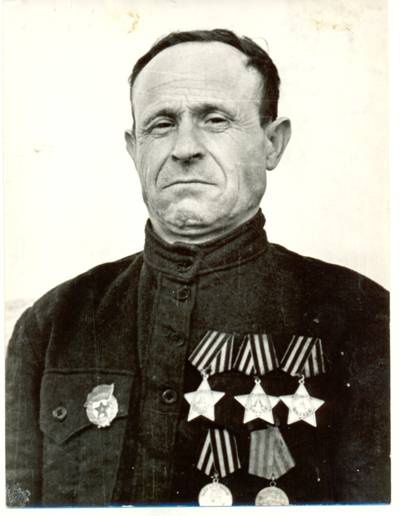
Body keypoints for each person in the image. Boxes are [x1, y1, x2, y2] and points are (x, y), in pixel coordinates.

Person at [5, 29, 390, 507]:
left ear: (273, 143)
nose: (185, 147)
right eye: (161, 124)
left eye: (215, 120)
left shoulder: (364, 318)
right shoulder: (51, 324)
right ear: (134, 150)